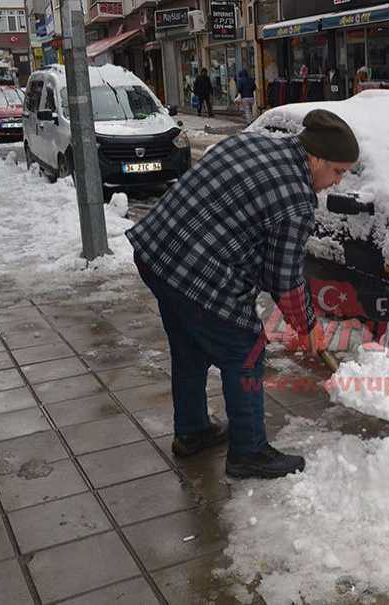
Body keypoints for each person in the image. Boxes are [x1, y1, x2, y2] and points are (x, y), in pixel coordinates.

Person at [126, 109, 359, 479]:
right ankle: (249, 452)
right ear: (315, 158)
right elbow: (284, 279)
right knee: (245, 350)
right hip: (194, 268)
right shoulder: (296, 201)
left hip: (157, 251)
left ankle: (192, 430)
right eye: (337, 172)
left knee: (190, 344)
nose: (336, 182)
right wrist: (308, 326)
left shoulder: (256, 143)